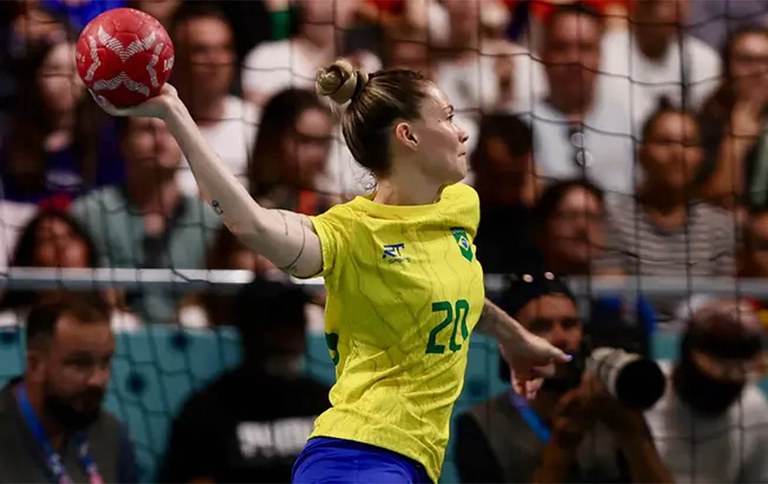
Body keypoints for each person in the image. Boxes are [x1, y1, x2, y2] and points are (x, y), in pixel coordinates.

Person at [91, 59, 569, 483]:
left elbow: (454, 293)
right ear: (408, 135)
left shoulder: (461, 205)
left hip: (412, 461)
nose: (462, 132)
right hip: (358, 458)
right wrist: (174, 112)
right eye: (446, 118)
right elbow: (249, 222)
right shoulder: (349, 233)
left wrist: (513, 338)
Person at [456, 272, 671, 483]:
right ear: (511, 345)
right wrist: (562, 443)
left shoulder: (609, 408)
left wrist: (631, 432)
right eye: (542, 326)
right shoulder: (481, 425)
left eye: (569, 325)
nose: (560, 338)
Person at [161, 277, 331, 482]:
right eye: (275, 322)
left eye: (295, 320)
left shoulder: (328, 403)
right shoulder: (205, 412)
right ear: (248, 330)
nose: (289, 335)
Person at [0, 293, 138, 483]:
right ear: (34, 365)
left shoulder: (111, 435)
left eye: (105, 362)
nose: (97, 380)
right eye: (80, 364)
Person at [645, 299, 768, 482]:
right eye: (719, 369)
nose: (728, 383)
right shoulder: (644, 388)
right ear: (690, 356)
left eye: (739, 371)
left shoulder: (753, 406)